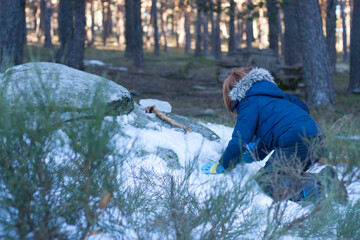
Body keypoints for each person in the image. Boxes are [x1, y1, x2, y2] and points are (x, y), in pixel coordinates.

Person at [202, 67, 347, 204]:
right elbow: (301, 109)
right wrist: (252, 155)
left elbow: (239, 140)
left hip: (295, 141)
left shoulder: (247, 103)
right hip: (317, 137)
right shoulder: (278, 96)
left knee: (266, 179)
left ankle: (309, 188)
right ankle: (325, 178)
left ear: (233, 95)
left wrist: (224, 165)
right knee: (287, 174)